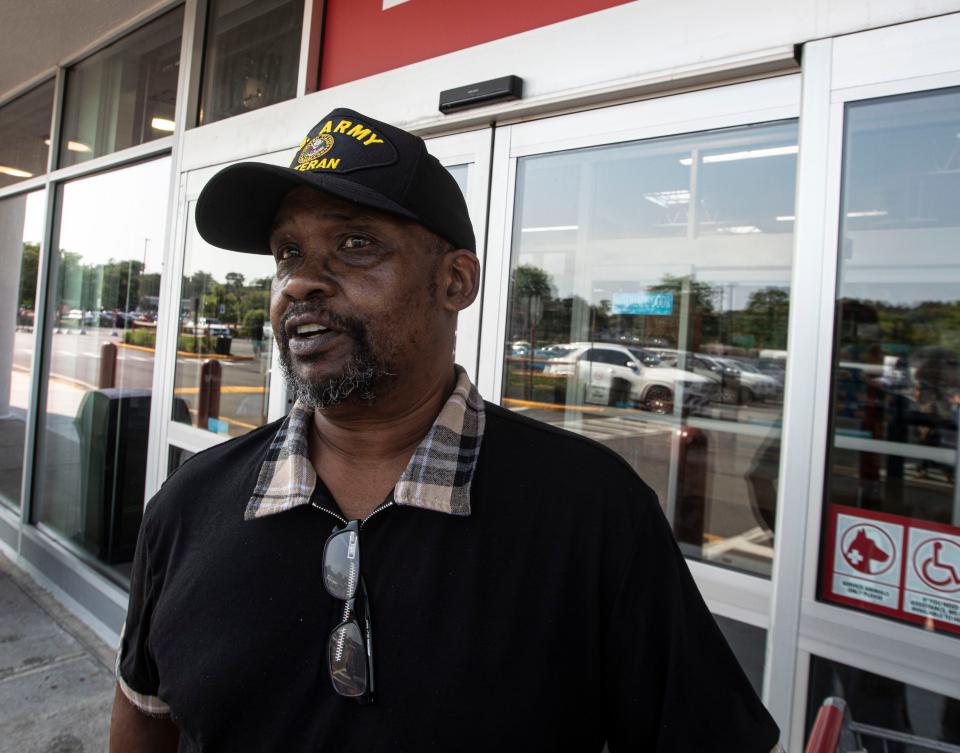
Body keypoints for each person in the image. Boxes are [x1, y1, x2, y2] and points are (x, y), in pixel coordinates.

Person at [109, 108, 783, 753]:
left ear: (455, 281)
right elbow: (145, 714)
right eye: (288, 252)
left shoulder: (594, 513)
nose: (301, 283)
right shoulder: (189, 503)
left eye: (354, 244)